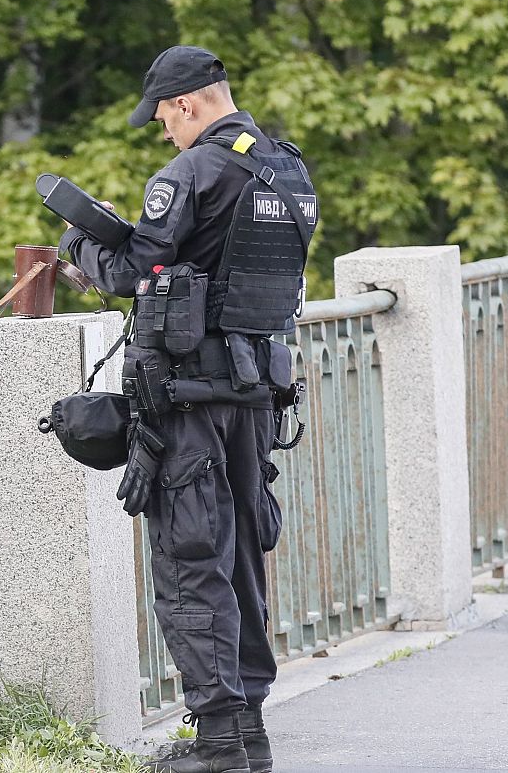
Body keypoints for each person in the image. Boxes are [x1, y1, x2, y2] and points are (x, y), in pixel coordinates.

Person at [60, 46, 317, 773]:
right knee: (240, 559)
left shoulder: (192, 172)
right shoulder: (287, 169)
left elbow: (137, 271)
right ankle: (249, 731)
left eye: (163, 118)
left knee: (190, 560)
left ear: (187, 103)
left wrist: (80, 240)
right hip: (255, 393)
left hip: (188, 399)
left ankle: (218, 743)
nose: (163, 132)